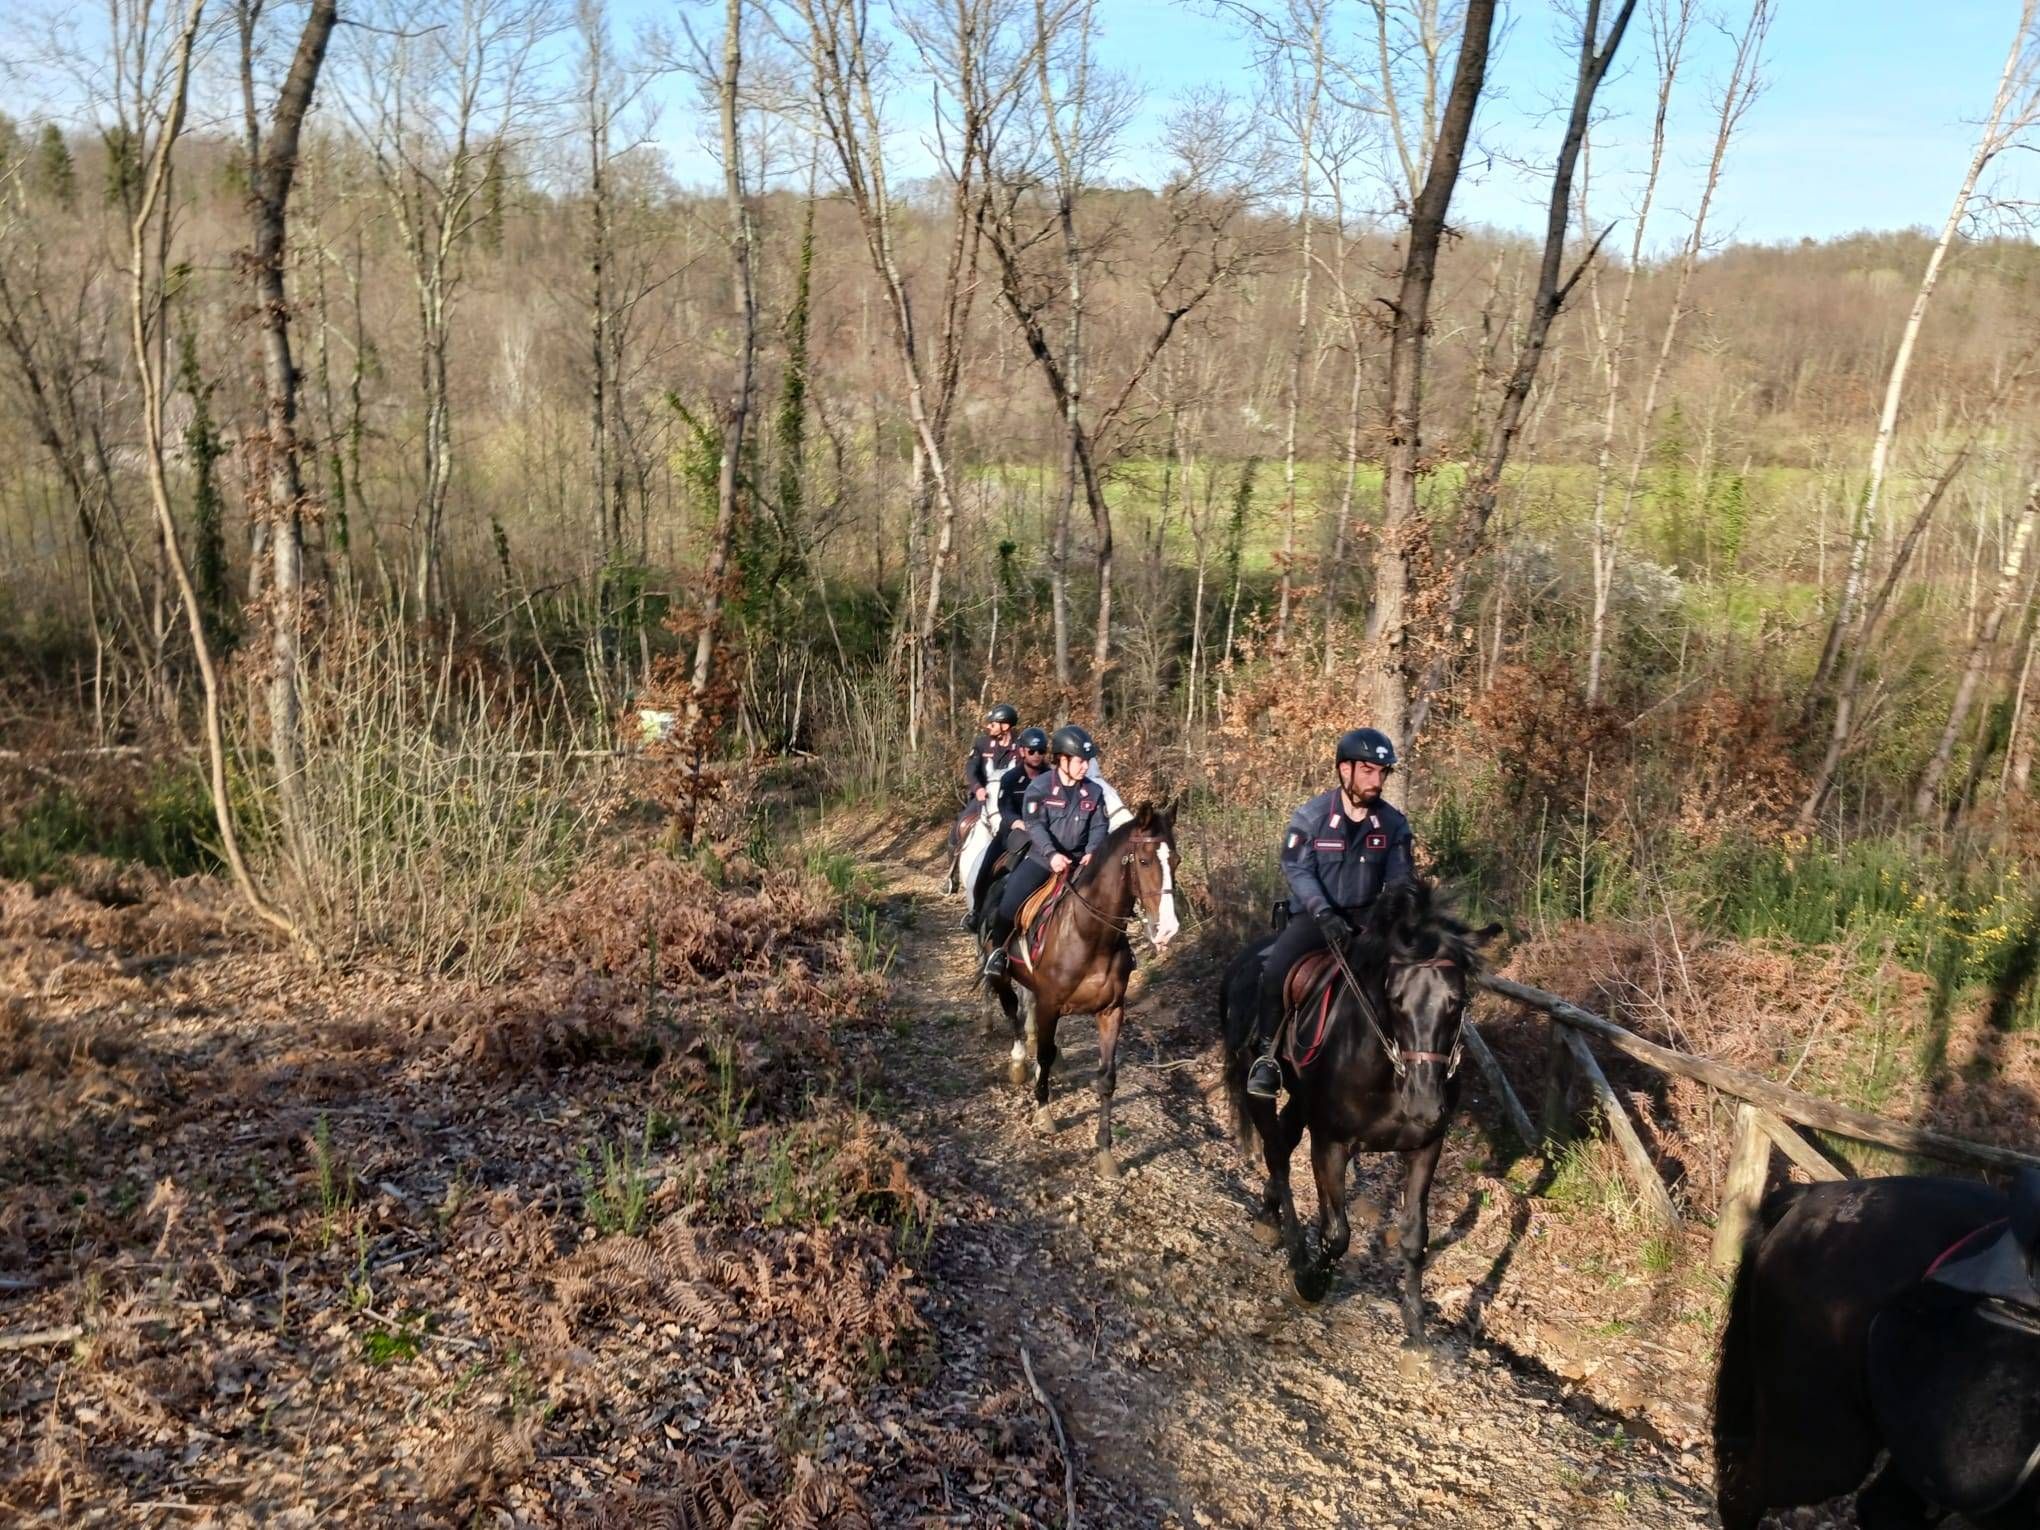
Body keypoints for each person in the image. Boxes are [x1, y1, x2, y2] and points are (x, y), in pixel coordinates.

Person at [1245, 727, 1416, 1099]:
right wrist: (1323, 912)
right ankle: (1267, 1058)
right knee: (1274, 971)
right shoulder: (1311, 816)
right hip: (1315, 917)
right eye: (1368, 771)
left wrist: (1398, 917)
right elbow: (1296, 869)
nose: (1377, 781)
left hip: (1369, 920)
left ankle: (1418, 1060)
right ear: (1344, 769)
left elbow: (1401, 879)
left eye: (1382, 772)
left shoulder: (1393, 824)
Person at [980, 724, 1107, 980]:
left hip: (1081, 863)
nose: (1085, 767)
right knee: (1009, 900)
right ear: (1062, 759)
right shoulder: (1039, 788)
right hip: (1042, 860)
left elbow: (1100, 825)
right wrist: (1051, 854)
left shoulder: (1094, 791)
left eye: (1088, 761)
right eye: (1080, 761)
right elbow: (1034, 825)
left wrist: (1093, 851)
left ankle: (1119, 950)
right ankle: (999, 952)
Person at [965, 726, 1050, 930]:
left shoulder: (1051, 777)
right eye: (1032, 751)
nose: (1037, 755)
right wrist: (1017, 823)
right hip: (1012, 833)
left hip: (1043, 834)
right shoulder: (1010, 778)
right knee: (986, 868)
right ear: (1022, 751)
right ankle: (976, 911)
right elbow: (1005, 808)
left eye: (1041, 751)